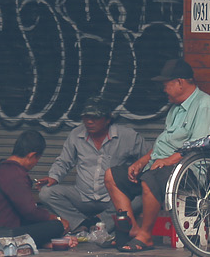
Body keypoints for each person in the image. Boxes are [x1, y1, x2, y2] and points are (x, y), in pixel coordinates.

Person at [107, 58, 210, 253]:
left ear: (180, 83)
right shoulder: (175, 108)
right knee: (112, 176)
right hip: (159, 165)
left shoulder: (204, 105)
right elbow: (164, 142)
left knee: (150, 180)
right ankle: (134, 230)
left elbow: (199, 146)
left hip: (187, 170)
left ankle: (146, 236)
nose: (164, 90)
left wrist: (167, 161)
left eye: (166, 85)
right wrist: (142, 161)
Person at [38, 97, 146, 238]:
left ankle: (101, 222)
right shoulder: (76, 135)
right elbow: (64, 161)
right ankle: (81, 224)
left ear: (108, 119)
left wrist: (137, 173)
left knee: (144, 196)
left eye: (95, 118)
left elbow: (149, 157)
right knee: (46, 193)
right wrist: (53, 177)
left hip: (114, 200)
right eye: (86, 117)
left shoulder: (128, 136)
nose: (89, 121)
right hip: (83, 196)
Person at [0, 130, 72, 250]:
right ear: (32, 155)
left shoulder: (2, 167)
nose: (36, 163)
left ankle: (41, 243)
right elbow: (30, 213)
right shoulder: (15, 173)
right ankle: (42, 241)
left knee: (43, 225)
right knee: (56, 227)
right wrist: (57, 219)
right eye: (37, 159)